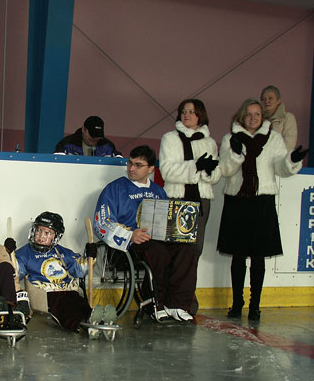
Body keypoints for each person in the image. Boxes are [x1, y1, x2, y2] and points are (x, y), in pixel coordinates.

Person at [217, 99, 306, 320]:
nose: (253, 118)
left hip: (262, 202)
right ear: (241, 116)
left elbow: (280, 167)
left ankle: (255, 305)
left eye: (257, 114)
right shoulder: (230, 139)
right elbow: (225, 170)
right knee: (238, 257)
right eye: (249, 114)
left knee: (259, 257)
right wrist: (235, 155)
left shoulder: (274, 139)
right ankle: (237, 304)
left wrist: (291, 160)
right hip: (237, 201)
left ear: (262, 117)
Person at [94, 145, 197, 322]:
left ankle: (177, 305)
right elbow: (102, 222)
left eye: (138, 165)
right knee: (157, 252)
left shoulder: (158, 191)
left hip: (157, 240)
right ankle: (154, 304)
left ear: (150, 169)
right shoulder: (115, 189)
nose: (131, 168)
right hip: (128, 245)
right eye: (130, 163)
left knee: (187, 249)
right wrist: (130, 235)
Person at [9, 212, 98, 333]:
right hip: (46, 294)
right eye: (39, 231)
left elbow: (79, 272)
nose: (41, 236)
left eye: (47, 233)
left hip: (68, 290)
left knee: (78, 300)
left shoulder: (62, 252)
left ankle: (94, 318)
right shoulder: (25, 253)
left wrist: (89, 257)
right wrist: (10, 255)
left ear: (56, 236)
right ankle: (80, 323)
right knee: (64, 305)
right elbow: (16, 275)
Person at [159, 99, 221, 264]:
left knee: (195, 250)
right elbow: (167, 171)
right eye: (183, 111)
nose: (186, 115)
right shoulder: (170, 139)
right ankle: (172, 289)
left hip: (201, 201)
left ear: (200, 115)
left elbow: (215, 177)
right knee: (175, 250)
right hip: (177, 199)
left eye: (191, 112)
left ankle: (187, 289)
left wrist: (208, 171)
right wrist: (195, 166)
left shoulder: (209, 143)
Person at [54, 116, 122, 157]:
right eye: (92, 135)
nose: (94, 139)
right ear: (84, 129)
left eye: (97, 136)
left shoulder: (108, 146)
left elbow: (119, 162)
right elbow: (56, 164)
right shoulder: (66, 144)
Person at [260, 85, 297, 152]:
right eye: (263, 99)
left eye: (270, 98)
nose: (266, 101)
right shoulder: (257, 119)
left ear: (278, 100)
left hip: (280, 159)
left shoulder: (288, 118)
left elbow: (289, 145)